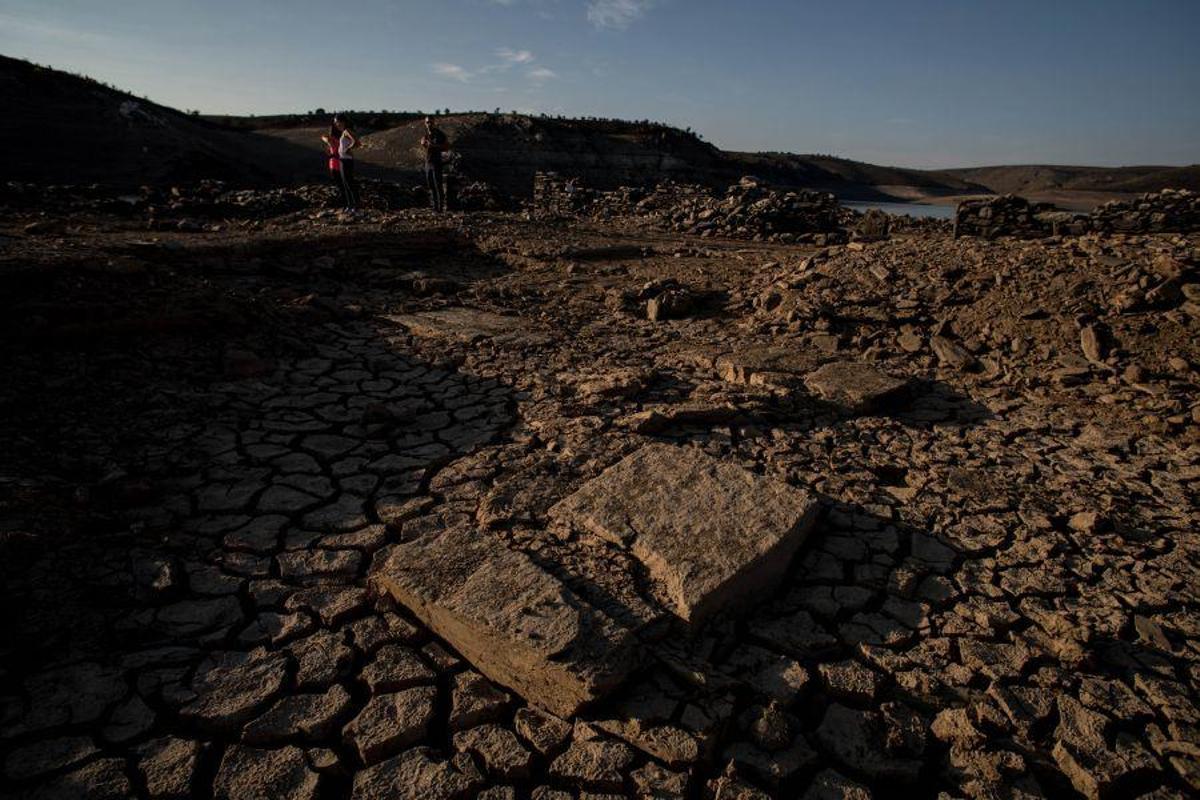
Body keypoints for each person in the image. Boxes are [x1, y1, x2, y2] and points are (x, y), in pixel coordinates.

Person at [321, 114, 359, 210]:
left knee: (349, 183)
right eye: (335, 122)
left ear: (342, 121)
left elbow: (357, 142)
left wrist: (347, 149)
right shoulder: (343, 132)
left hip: (347, 160)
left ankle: (356, 205)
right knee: (346, 184)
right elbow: (324, 137)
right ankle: (350, 205)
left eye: (337, 122)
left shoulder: (347, 131)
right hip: (342, 159)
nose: (336, 124)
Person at [420, 116, 449, 212]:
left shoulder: (440, 134)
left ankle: (440, 208)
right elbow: (424, 144)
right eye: (427, 122)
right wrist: (423, 143)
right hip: (428, 162)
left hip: (437, 162)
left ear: (434, 123)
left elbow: (446, 147)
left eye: (431, 122)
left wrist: (434, 146)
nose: (429, 124)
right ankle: (435, 207)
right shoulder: (426, 135)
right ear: (425, 123)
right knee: (431, 186)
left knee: (438, 185)